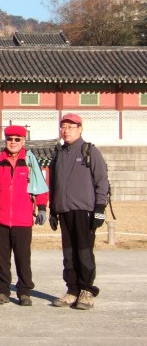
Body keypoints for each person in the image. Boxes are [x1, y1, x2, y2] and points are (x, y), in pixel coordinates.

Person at [0, 125, 48, 306]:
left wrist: (41, 208)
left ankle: (24, 292)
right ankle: (2, 291)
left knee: (23, 258)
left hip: (22, 219)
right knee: (2, 258)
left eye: (17, 139)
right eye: (10, 139)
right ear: (5, 140)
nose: (13, 142)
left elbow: (40, 186)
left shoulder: (30, 161)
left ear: (23, 141)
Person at [49, 113, 110, 310]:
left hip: (84, 210)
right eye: (63, 127)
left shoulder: (89, 151)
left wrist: (100, 208)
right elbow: (54, 183)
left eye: (71, 127)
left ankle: (86, 290)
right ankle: (72, 289)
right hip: (64, 210)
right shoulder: (59, 153)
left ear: (80, 129)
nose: (66, 131)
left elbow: (102, 181)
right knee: (68, 253)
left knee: (84, 252)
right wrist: (53, 209)